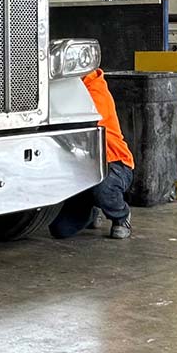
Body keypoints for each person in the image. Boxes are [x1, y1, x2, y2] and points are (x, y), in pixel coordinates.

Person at [50, 68, 134, 240]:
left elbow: (83, 127)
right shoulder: (63, 89)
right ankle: (94, 208)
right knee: (60, 230)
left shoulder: (96, 90)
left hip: (114, 164)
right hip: (83, 167)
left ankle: (121, 216)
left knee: (102, 187)